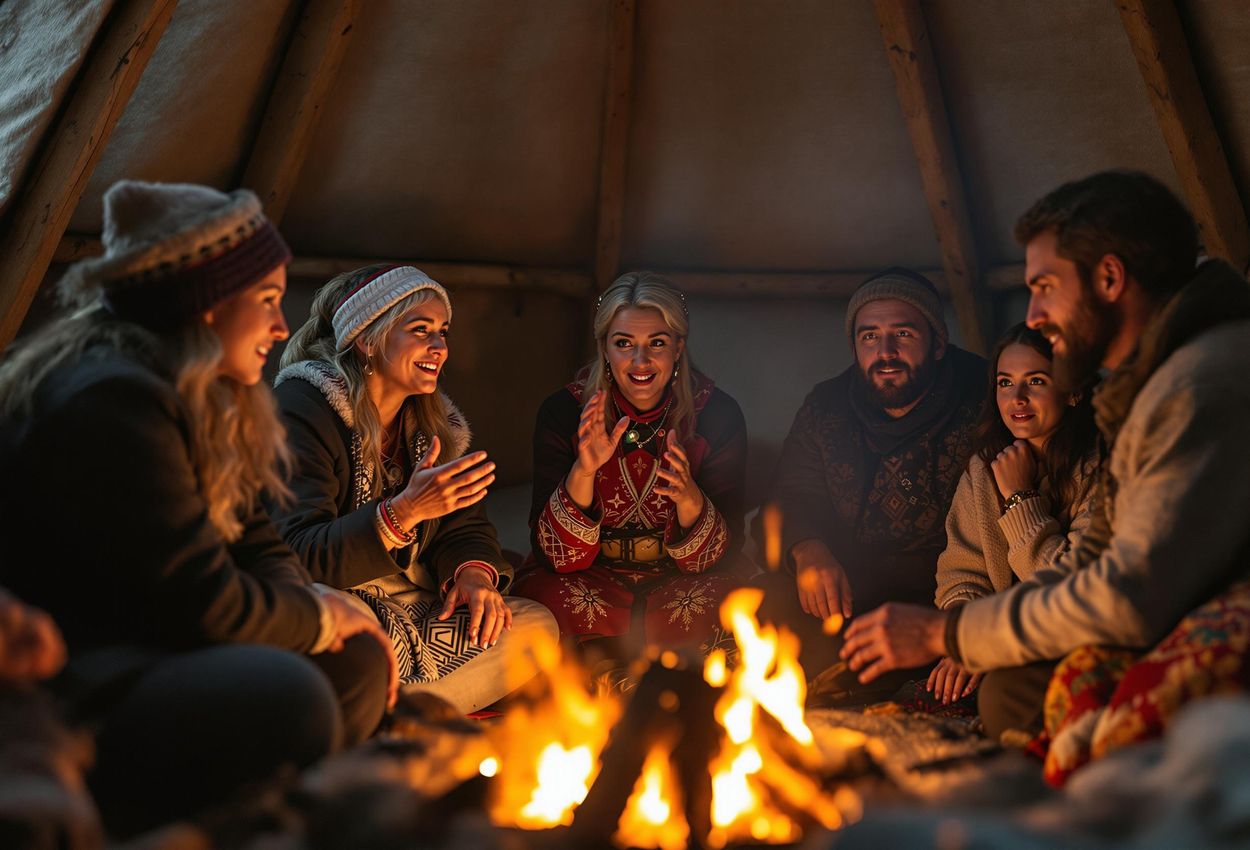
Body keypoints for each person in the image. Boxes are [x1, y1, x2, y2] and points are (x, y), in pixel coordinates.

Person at [0, 180, 395, 835]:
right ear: (206, 307)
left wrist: (322, 613)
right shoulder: (116, 401)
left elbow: (256, 539)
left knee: (355, 665)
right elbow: (201, 601)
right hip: (77, 672)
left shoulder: (206, 397)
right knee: (287, 696)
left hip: (157, 640)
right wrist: (318, 616)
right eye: (267, 300)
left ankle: (263, 818)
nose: (281, 326)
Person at [840, 170, 1250, 741]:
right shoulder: (1145, 391)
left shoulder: (1199, 384)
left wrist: (945, 635)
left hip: (1215, 623)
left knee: (1036, 699)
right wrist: (962, 628)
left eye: (1046, 286)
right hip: (1142, 611)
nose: (1033, 314)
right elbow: (1090, 566)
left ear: (1109, 278)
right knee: (1013, 691)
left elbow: (1126, 596)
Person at [272, 264, 558, 714]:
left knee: (534, 627)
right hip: (337, 596)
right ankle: (391, 710)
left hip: (413, 604)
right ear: (367, 340)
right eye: (420, 330)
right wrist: (402, 513)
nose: (440, 347)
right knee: (334, 623)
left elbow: (465, 528)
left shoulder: (433, 425)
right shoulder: (305, 410)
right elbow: (298, 555)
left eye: (443, 331)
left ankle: (389, 711)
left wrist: (473, 575)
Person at [757, 267, 986, 702]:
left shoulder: (985, 396)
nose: (885, 352)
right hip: (849, 597)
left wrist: (964, 630)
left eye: (903, 334)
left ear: (938, 343)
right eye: (869, 337)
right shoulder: (827, 407)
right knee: (764, 608)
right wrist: (808, 548)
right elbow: (789, 495)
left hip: (950, 599)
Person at [513, 272, 748, 665]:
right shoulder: (565, 412)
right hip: (588, 577)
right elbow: (557, 559)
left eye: (656, 343)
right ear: (604, 348)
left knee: (735, 607)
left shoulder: (716, 414)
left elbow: (723, 554)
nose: (641, 362)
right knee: (538, 608)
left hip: (680, 580)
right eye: (624, 344)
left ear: (678, 347)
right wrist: (584, 472)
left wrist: (690, 497)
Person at [928, 323, 1098, 704]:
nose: (1017, 397)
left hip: (1077, 642)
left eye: (1035, 381)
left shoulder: (1101, 468)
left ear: (1073, 392)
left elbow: (1074, 592)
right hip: (1000, 639)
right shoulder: (983, 468)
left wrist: (1020, 498)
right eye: (1005, 383)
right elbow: (961, 571)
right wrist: (967, 638)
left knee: (1000, 698)